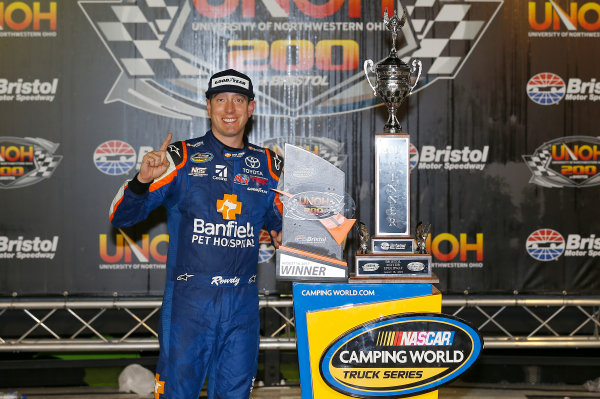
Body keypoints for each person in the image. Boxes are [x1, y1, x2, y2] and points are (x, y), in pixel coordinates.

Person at [109, 69, 283, 399]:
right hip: (189, 304)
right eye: (220, 100)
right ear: (208, 106)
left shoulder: (270, 165)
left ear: (251, 108)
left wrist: (284, 233)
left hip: (242, 305)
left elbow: (281, 223)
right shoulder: (180, 158)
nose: (229, 109)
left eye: (238, 100)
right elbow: (120, 216)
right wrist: (141, 181)